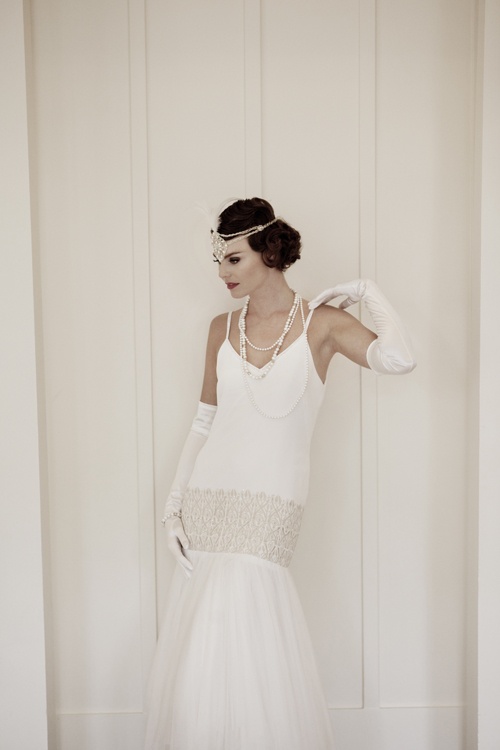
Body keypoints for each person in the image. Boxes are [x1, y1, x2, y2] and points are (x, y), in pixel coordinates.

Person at [144, 197, 416, 750]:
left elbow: (398, 359)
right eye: (219, 261)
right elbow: (204, 419)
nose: (222, 273)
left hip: (271, 501)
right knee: (204, 645)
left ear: (269, 252)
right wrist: (173, 506)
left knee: (254, 629)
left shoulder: (323, 324)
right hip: (209, 499)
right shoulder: (221, 328)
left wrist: (368, 292)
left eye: (233, 259)